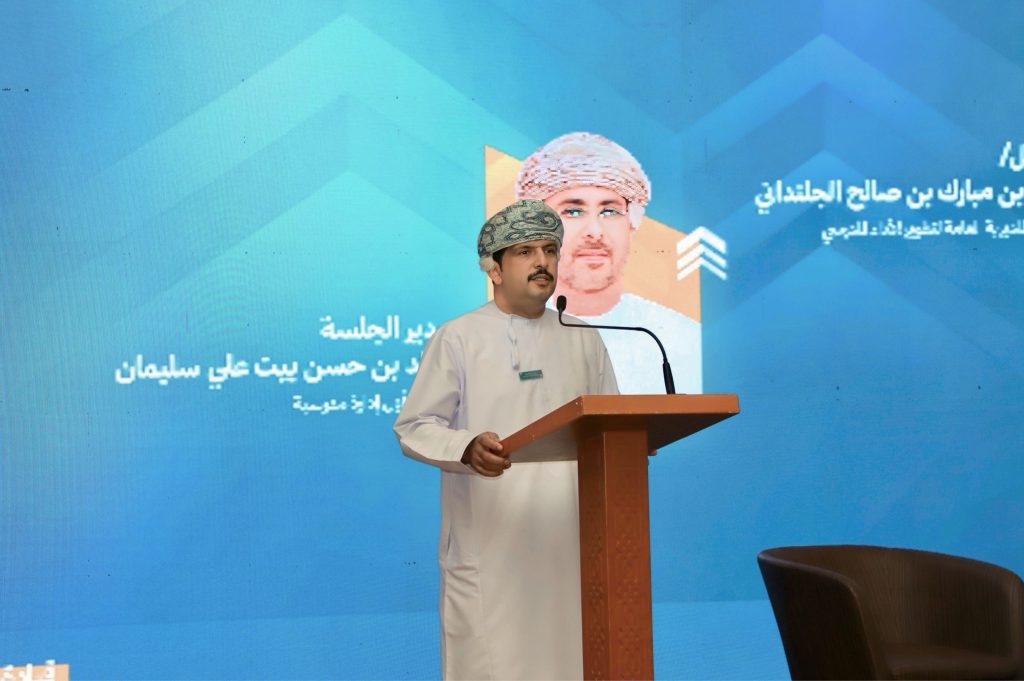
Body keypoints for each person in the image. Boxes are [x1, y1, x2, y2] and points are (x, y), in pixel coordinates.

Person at [394, 200, 618, 680]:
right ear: (493, 269)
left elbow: (612, 426)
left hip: (570, 542)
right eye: (525, 252)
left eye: (550, 250)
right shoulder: (459, 337)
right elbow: (414, 426)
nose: (542, 262)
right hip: (492, 543)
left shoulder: (584, 338)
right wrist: (466, 448)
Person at [516, 132, 703, 394]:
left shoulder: (676, 338)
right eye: (573, 211)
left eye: (610, 211)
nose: (595, 232)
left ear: (632, 222)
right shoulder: (505, 337)